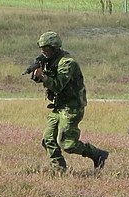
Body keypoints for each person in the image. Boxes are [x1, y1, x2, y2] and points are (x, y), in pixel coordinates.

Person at [31, 31, 109, 173]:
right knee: (48, 139)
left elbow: (58, 85)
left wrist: (43, 77)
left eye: (46, 49)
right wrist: (38, 74)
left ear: (54, 48)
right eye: (42, 49)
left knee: (68, 144)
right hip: (59, 106)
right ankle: (59, 170)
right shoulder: (49, 60)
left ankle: (97, 154)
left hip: (72, 107)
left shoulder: (67, 63)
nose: (44, 52)